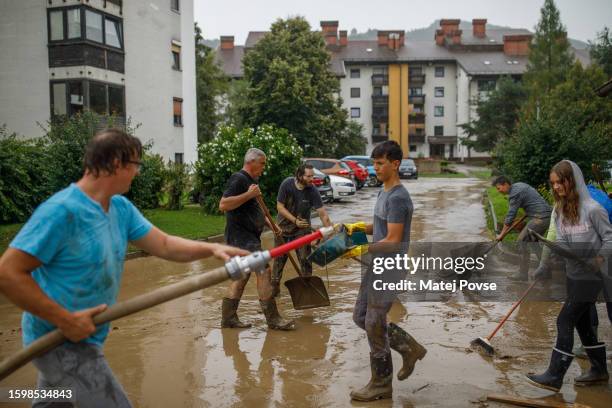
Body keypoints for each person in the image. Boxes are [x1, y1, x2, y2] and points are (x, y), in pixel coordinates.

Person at [0, 129, 247, 407]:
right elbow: (8, 272)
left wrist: (212, 248)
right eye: (136, 165)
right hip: (58, 340)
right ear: (117, 163)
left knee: (56, 399)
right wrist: (64, 319)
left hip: (85, 334)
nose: (138, 173)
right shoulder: (62, 211)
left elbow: (164, 245)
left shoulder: (119, 208)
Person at [345, 141, 426, 402]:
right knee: (360, 317)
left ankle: (381, 384)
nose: (375, 168)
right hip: (377, 264)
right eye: (374, 163)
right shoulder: (384, 192)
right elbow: (382, 226)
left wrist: (362, 249)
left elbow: (392, 240)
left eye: (380, 164)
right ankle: (408, 347)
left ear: (395, 164)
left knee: (373, 321)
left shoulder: (399, 197)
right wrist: (359, 228)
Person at [525, 160, 611, 392]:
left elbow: (609, 239)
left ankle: (555, 375)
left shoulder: (593, 209)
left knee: (564, 319)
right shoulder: (560, 210)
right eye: (553, 183)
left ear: (571, 181)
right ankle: (599, 370)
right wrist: (549, 261)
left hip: (592, 276)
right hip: (573, 275)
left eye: (560, 182)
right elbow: (561, 240)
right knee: (583, 324)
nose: (556, 187)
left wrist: (598, 259)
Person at [219, 148, 294, 330]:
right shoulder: (239, 179)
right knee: (264, 270)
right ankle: (273, 319)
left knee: (241, 277)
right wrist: (248, 195)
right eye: (262, 164)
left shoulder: (251, 182)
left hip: (248, 237)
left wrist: (271, 225)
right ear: (251, 161)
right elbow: (223, 205)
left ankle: (228, 318)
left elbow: (256, 210)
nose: (264, 168)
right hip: (240, 238)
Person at [271, 163, 332, 295]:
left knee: (305, 260)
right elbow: (279, 207)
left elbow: (323, 214)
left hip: (302, 230)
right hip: (283, 229)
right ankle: (273, 293)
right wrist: (294, 220)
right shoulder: (287, 184)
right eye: (308, 176)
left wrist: (328, 232)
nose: (312, 179)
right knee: (278, 263)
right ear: (299, 175)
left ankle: (307, 290)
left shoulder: (312, 190)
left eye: (313, 176)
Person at [492, 176, 552, 280]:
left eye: (499, 188)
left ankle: (522, 274)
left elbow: (510, 216)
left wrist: (501, 235)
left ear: (505, 184)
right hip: (546, 216)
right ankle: (546, 270)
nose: (499, 191)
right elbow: (531, 200)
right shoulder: (519, 185)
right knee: (534, 243)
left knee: (521, 241)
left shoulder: (514, 193)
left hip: (540, 218)